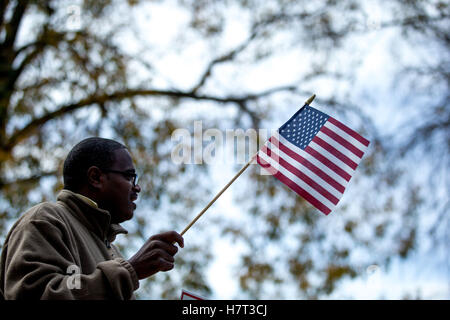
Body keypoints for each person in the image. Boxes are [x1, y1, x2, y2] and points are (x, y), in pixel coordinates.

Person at [0, 137, 184, 299]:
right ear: (95, 177)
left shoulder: (112, 250)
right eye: (129, 177)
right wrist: (130, 271)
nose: (137, 188)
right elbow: (36, 294)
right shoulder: (45, 219)